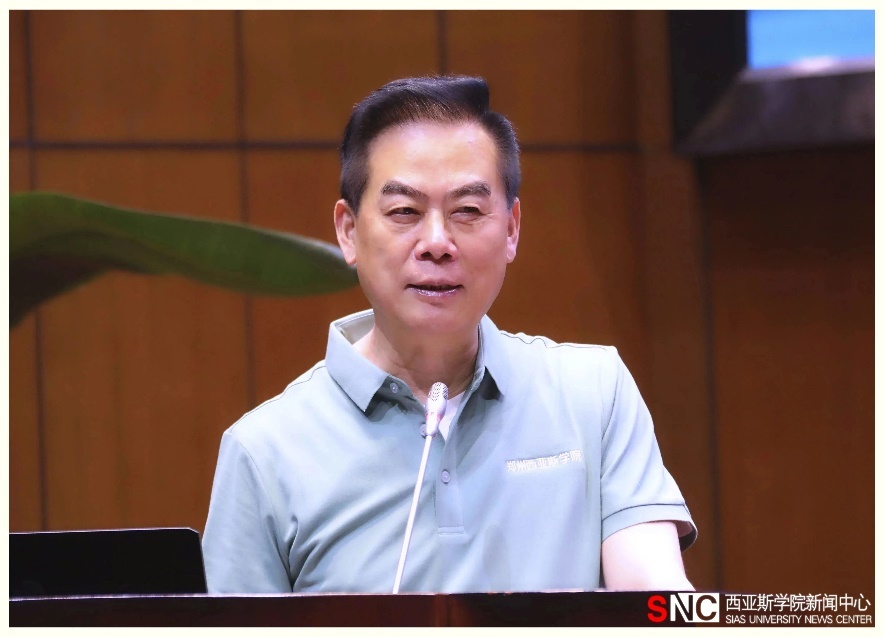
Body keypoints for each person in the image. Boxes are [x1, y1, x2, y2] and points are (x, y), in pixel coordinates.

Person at [202, 75, 697, 594]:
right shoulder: (264, 451)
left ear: (511, 228)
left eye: (467, 211)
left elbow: (655, 600)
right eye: (404, 212)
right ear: (348, 231)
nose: (437, 242)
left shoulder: (593, 394)